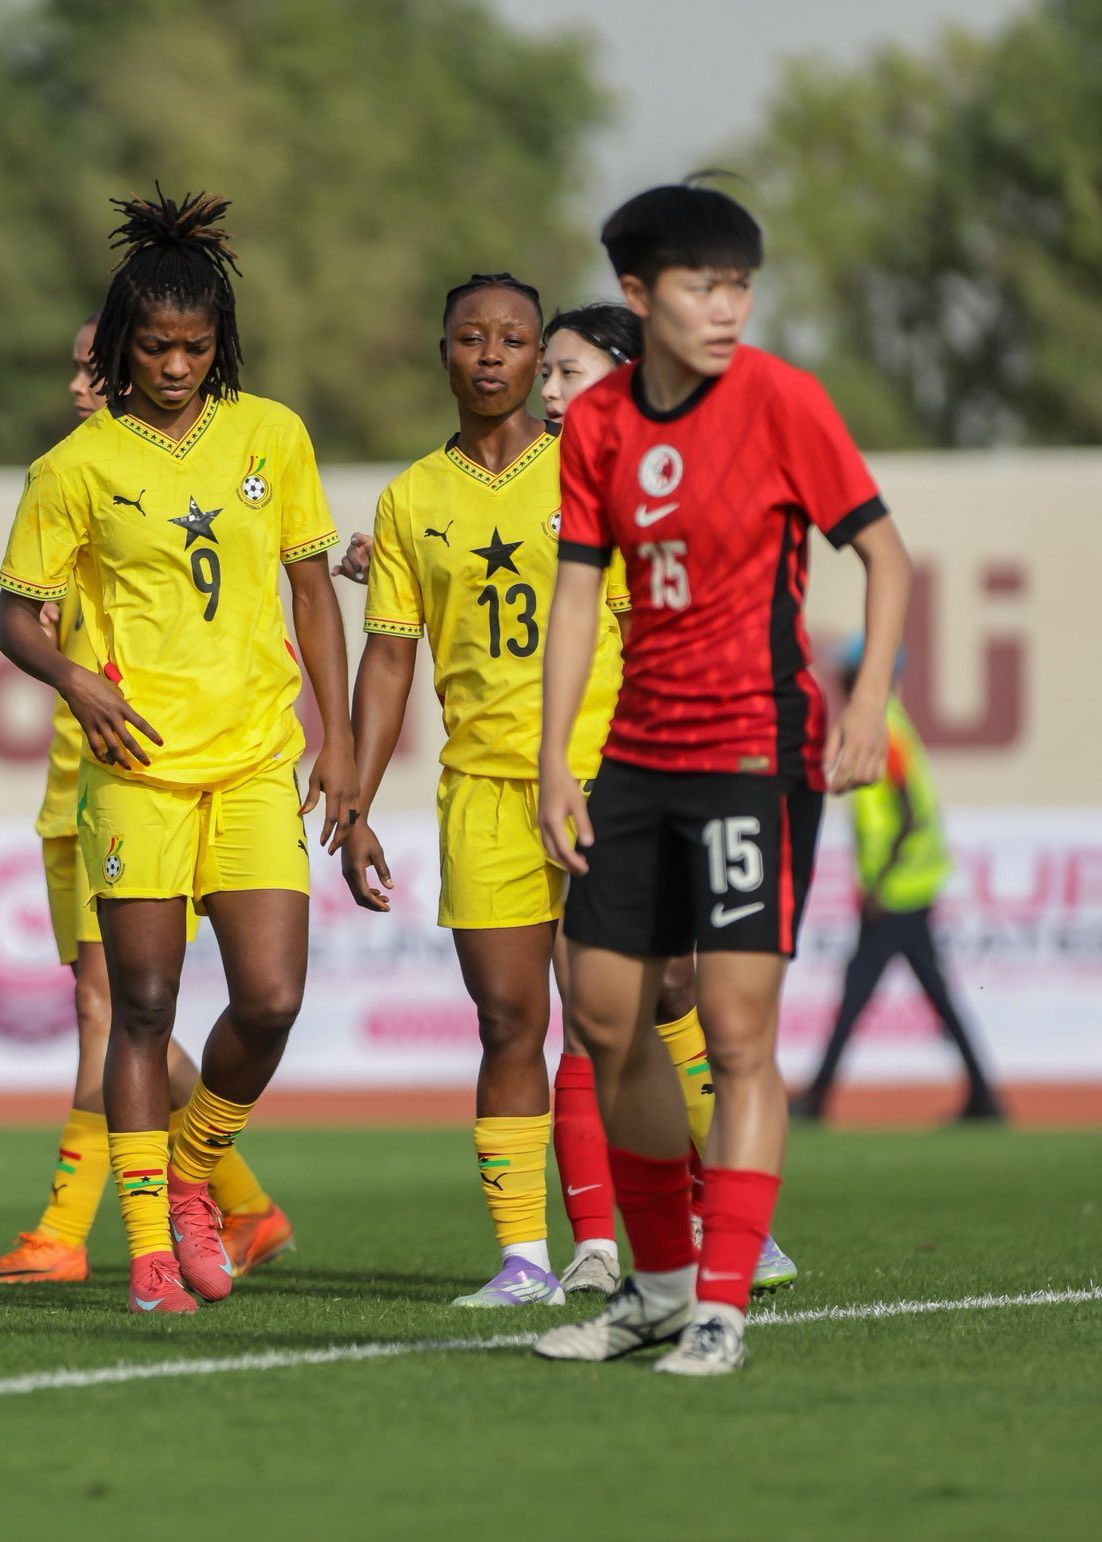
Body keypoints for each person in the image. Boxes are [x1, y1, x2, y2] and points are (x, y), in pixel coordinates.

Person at [534, 181, 910, 1375]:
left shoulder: (781, 400)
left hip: (753, 753)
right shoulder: (596, 427)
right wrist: (552, 758)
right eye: (701, 286)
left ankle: (719, 1307)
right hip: (635, 753)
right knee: (604, 1016)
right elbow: (579, 597)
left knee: (737, 1036)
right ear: (637, 293)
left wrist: (866, 704)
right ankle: (652, 1291)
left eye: (738, 286)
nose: (725, 308)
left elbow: (885, 557)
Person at [0, 190, 356, 1315]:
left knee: (271, 1000)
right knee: (141, 1006)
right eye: (154, 346)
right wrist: (74, 679)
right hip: (136, 768)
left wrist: (340, 740)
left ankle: (196, 1167)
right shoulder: (73, 467)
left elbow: (312, 592)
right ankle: (151, 1250)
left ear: (220, 341)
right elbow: (13, 618)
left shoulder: (272, 435)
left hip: (252, 759)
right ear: (119, 343)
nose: (175, 365)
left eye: (195, 346)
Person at [0, 316, 291, 1286]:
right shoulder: (77, 481)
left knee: (111, 1009)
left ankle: (67, 1230)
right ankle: (241, 1205)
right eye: (77, 369)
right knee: (117, 1006)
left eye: (90, 368)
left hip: (150, 778)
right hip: (79, 784)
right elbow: (28, 622)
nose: (79, 386)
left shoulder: (204, 468)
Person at [342, 274, 634, 1307]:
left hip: (600, 773)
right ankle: (524, 1259)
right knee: (509, 1021)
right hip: (481, 789)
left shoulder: (593, 471)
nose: (492, 355)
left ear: (536, 358)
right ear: (444, 354)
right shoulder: (410, 500)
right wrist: (354, 801)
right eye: (472, 337)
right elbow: (388, 660)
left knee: (627, 1011)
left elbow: (642, 624)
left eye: (513, 339)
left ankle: (707, 1218)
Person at [538, 303, 796, 1298]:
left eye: (567, 372)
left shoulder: (678, 475)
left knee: (682, 996)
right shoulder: (514, 479)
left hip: (662, 766)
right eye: (546, 372)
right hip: (541, 776)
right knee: (578, 1012)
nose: (547, 390)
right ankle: (595, 1246)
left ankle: (721, 1214)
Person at [793, 639, 1000, 1121]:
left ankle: (817, 1099)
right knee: (930, 996)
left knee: (857, 995)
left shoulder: (883, 729)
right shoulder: (888, 724)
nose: (844, 682)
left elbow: (906, 814)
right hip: (907, 887)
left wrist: (880, 884)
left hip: (897, 892)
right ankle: (984, 1097)